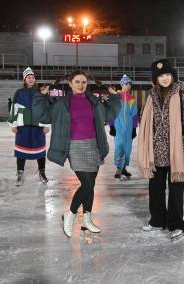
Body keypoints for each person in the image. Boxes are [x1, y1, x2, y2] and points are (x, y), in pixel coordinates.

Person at [33, 70, 121, 238]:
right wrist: (40, 97)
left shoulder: (94, 101)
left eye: (84, 82)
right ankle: (71, 214)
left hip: (94, 146)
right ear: (70, 84)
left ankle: (86, 219)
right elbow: (43, 116)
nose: (82, 85)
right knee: (86, 185)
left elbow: (110, 114)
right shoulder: (62, 104)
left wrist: (115, 97)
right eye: (78, 82)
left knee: (91, 185)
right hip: (74, 147)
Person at [137, 59, 184, 242]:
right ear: (155, 79)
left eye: (167, 74)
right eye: (160, 76)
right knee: (155, 186)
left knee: (175, 188)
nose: (164, 78)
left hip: (177, 150)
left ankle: (176, 224)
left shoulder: (182, 93)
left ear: (173, 76)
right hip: (156, 149)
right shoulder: (151, 96)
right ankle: (157, 219)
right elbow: (144, 119)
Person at [7, 67, 50, 186]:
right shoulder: (19, 92)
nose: (31, 79)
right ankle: (20, 173)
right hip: (23, 126)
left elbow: (46, 108)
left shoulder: (40, 92)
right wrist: (13, 124)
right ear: (25, 80)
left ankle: (42, 172)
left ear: (35, 79)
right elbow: (14, 108)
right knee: (21, 151)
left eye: (32, 77)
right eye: (28, 77)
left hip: (38, 126)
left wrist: (46, 124)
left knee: (40, 152)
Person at [109, 74, 138, 179]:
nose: (128, 86)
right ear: (122, 84)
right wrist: (112, 126)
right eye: (126, 84)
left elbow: (134, 114)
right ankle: (118, 168)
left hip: (129, 126)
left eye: (130, 84)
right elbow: (112, 112)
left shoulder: (131, 99)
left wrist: (134, 128)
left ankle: (124, 168)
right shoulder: (116, 97)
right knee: (119, 146)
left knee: (127, 147)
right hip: (118, 124)